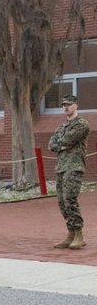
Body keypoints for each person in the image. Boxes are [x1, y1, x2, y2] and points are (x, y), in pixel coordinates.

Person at [49, 94, 90, 250]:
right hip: (61, 167)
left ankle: (79, 234)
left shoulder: (82, 124)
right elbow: (51, 144)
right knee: (62, 202)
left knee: (70, 199)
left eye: (69, 104)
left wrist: (62, 144)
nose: (66, 107)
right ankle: (71, 233)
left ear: (76, 106)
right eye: (64, 105)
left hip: (74, 166)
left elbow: (68, 140)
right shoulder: (63, 126)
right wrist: (61, 145)